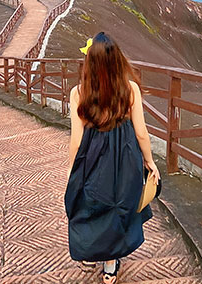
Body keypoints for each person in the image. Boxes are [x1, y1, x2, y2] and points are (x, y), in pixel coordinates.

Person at [65, 32, 160, 283]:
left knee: (90, 203)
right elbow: (141, 132)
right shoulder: (130, 90)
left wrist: (72, 171)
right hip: (124, 156)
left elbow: (76, 140)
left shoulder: (79, 92)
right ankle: (110, 263)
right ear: (117, 60)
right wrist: (149, 162)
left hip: (92, 157)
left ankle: (93, 249)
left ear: (90, 64)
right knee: (119, 204)